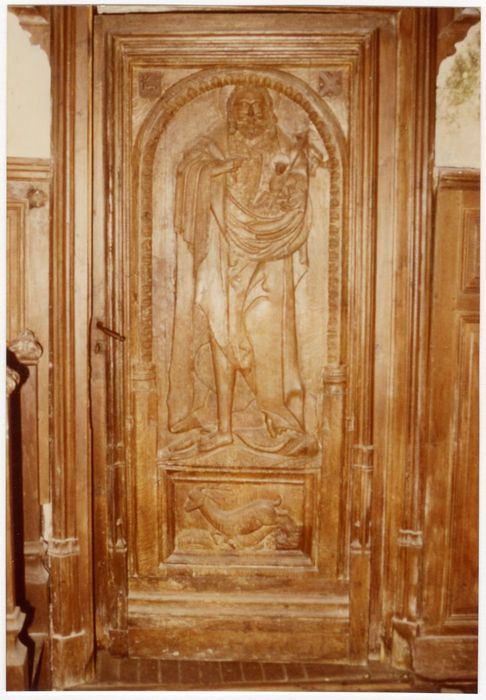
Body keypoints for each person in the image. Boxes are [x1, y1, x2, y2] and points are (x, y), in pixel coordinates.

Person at [167, 85, 320, 457]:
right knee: (221, 328)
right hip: (223, 251)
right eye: (242, 106)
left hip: (271, 255)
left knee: (264, 336)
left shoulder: (286, 146)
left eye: (257, 106)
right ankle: (223, 428)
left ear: (269, 110)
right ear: (230, 111)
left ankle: (281, 420)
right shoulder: (213, 142)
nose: (250, 114)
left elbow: (298, 184)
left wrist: (286, 191)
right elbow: (189, 169)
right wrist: (218, 169)